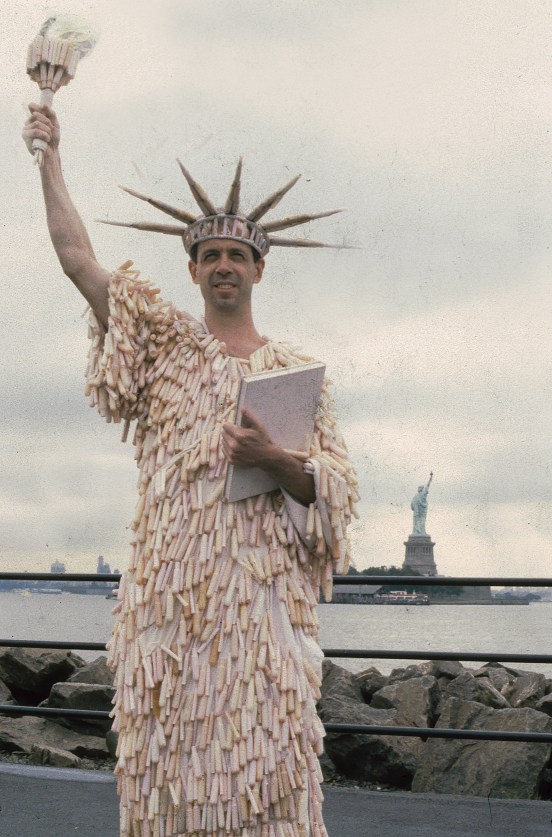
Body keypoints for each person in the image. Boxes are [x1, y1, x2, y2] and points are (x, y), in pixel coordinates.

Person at [23, 103, 359, 837]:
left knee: (268, 761)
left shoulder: (296, 373)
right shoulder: (165, 347)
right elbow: (78, 259)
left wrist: (273, 457)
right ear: (193, 269)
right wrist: (49, 155)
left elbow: (329, 492)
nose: (224, 266)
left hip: (260, 614)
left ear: (259, 269)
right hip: (168, 612)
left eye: (238, 255)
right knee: (166, 771)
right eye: (211, 255)